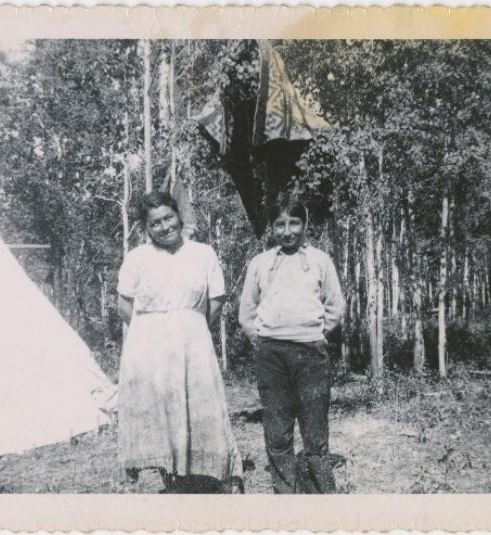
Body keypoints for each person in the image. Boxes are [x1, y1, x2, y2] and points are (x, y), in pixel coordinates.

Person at [116, 191, 242, 493]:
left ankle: (208, 473)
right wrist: (150, 336)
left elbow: (215, 302)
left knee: (199, 403)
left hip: (193, 342)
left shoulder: (203, 253)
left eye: (168, 218)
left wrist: (189, 328)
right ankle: (165, 473)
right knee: (156, 405)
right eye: (155, 223)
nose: (164, 227)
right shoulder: (137, 258)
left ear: (178, 216)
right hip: (147, 345)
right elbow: (124, 304)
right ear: (146, 228)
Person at [238, 195, 345, 494]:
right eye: (279, 225)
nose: (287, 231)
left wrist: (320, 334)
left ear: (305, 224)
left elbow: (335, 304)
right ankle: (284, 491)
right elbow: (247, 311)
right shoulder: (260, 264)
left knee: (314, 426)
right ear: (271, 228)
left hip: (311, 352)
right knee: (277, 427)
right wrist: (260, 339)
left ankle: (318, 491)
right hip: (272, 354)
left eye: (294, 223)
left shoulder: (320, 261)